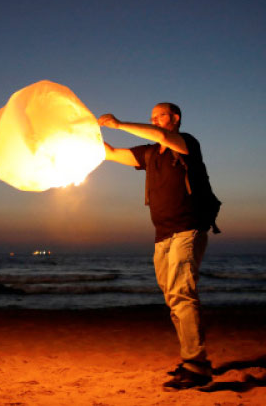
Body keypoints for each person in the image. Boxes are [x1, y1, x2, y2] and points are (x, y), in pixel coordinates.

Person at [98, 103, 219, 390]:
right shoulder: (150, 153)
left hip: (187, 230)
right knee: (173, 298)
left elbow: (161, 136)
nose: (153, 121)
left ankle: (196, 365)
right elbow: (111, 153)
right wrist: (83, 136)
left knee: (182, 294)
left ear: (174, 119)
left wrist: (118, 123)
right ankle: (192, 360)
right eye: (151, 118)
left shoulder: (185, 142)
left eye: (159, 116)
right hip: (162, 235)